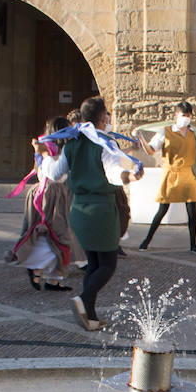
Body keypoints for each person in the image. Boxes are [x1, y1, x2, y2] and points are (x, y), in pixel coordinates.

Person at [57, 96, 141, 331]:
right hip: (100, 210)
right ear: (103, 117)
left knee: (94, 263)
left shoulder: (72, 143)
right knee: (107, 265)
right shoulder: (104, 143)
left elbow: (55, 173)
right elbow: (113, 173)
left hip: (79, 210)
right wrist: (130, 176)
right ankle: (83, 300)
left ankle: (90, 317)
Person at [5, 117, 75, 292]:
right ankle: (41, 271)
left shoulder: (47, 148)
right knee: (58, 235)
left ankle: (46, 275)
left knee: (49, 234)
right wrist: (45, 154)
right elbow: (56, 174)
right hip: (52, 195)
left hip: (48, 194)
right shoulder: (51, 150)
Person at [134, 101, 196, 254]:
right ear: (176, 115)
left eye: (188, 115)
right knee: (162, 209)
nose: (186, 118)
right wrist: (142, 139)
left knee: (192, 210)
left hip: (188, 174)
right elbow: (151, 150)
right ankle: (146, 241)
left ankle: (193, 245)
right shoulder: (165, 132)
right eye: (183, 115)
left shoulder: (194, 133)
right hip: (171, 174)